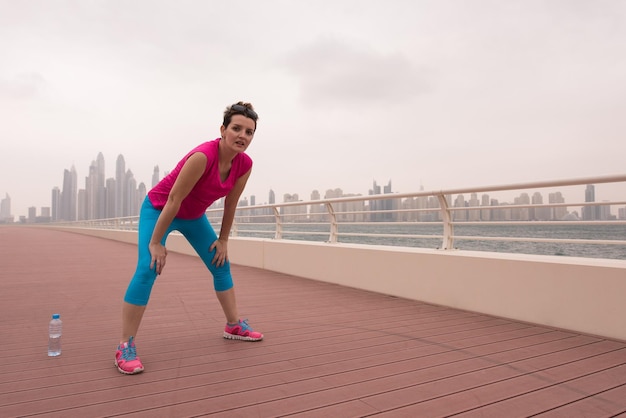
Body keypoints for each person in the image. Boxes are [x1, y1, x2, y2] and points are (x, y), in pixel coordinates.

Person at [115, 102, 263, 375]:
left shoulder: (245, 164)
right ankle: (125, 345)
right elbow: (174, 199)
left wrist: (224, 240)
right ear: (223, 129)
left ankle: (233, 325)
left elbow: (231, 204)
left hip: (193, 216)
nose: (243, 135)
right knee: (148, 267)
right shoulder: (202, 157)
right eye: (236, 128)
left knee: (221, 263)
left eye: (249, 132)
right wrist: (156, 243)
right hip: (160, 209)